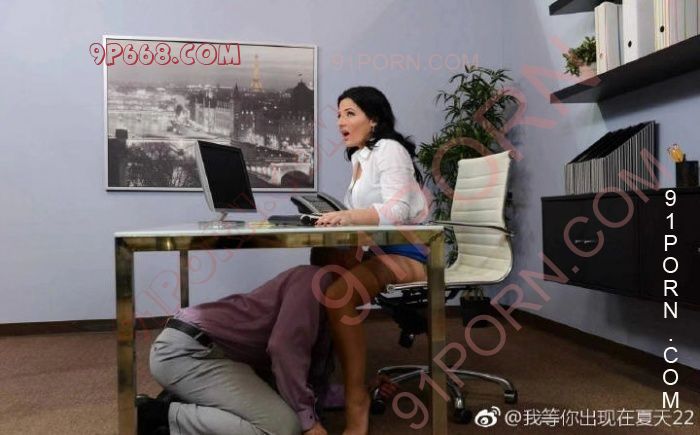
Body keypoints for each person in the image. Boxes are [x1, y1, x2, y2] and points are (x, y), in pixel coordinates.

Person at [313, 86, 429, 435]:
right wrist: (339, 218)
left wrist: (349, 217)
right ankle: (318, 380)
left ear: (374, 119)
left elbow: (399, 210)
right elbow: (368, 217)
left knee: (338, 295)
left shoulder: (389, 150)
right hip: (380, 250)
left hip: (410, 254)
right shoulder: (360, 157)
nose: (340, 122)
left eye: (350, 114)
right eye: (338, 115)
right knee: (320, 264)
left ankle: (356, 399)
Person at [139, 265, 335, 435]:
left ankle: (182, 403)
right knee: (284, 427)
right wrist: (308, 421)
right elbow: (284, 348)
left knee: (282, 412)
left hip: (204, 349)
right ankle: (156, 415)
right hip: (187, 352)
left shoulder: (316, 284)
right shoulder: (316, 279)